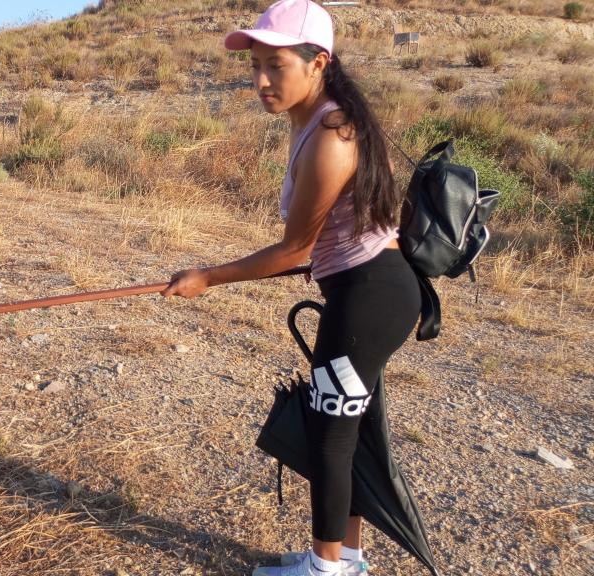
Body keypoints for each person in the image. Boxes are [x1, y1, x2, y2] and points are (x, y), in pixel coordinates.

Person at [160, 1, 422, 575]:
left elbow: (295, 249)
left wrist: (207, 276)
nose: (260, 81)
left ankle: (327, 570)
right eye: (255, 66)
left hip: (367, 300)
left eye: (275, 66)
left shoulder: (331, 133)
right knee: (343, 430)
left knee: (329, 436)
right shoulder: (317, 119)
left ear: (318, 62)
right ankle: (344, 558)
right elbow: (326, 242)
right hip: (364, 293)